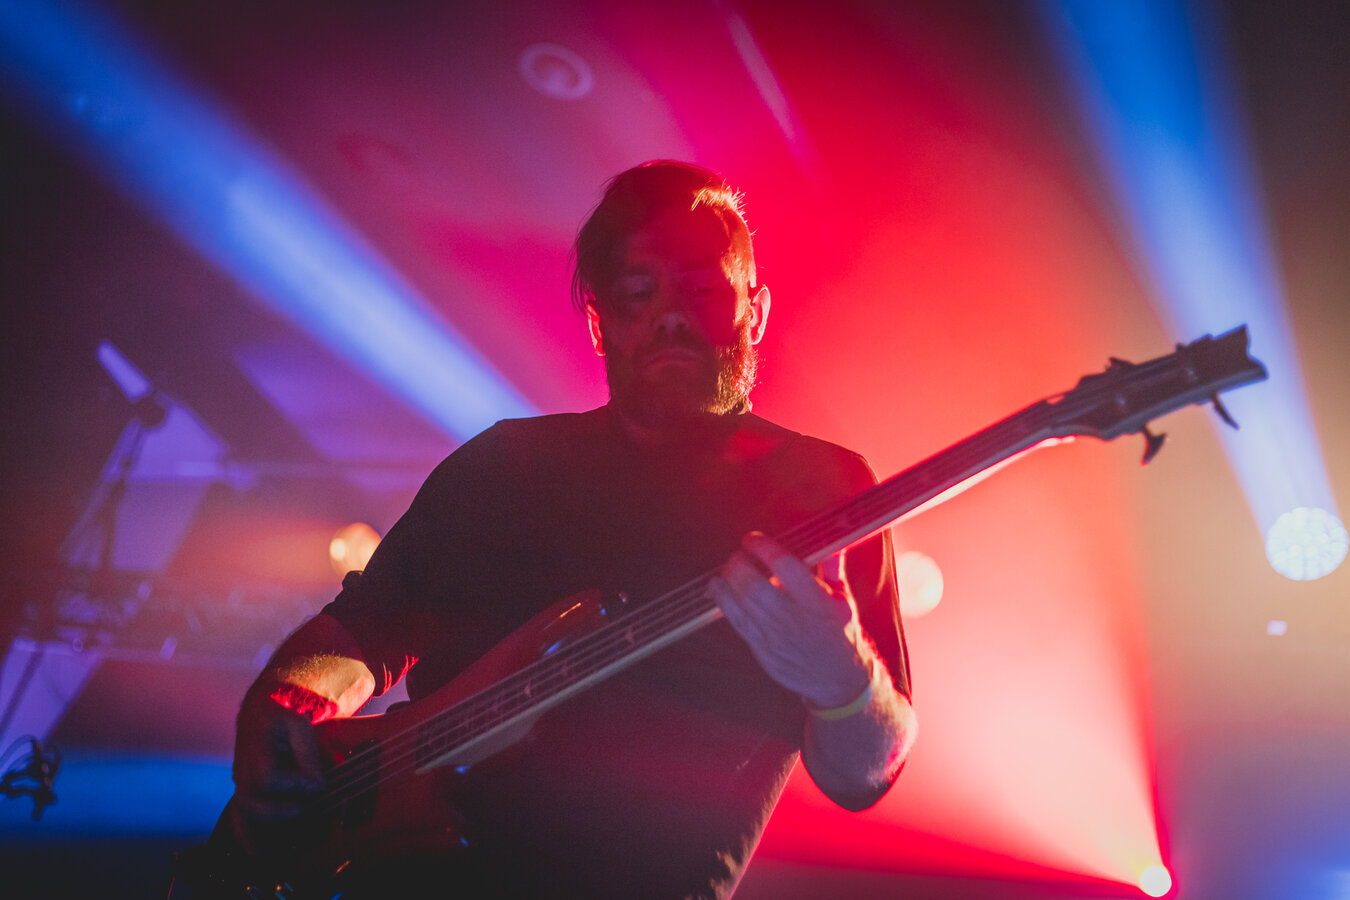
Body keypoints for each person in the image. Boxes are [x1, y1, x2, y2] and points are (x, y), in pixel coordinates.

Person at [229, 161, 917, 899]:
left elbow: (862, 777)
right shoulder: (505, 464)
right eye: (639, 293)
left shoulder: (821, 489)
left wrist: (842, 676)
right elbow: (362, 631)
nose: (672, 316)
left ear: (756, 310)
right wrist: (284, 702)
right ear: (598, 322)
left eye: (702, 290)